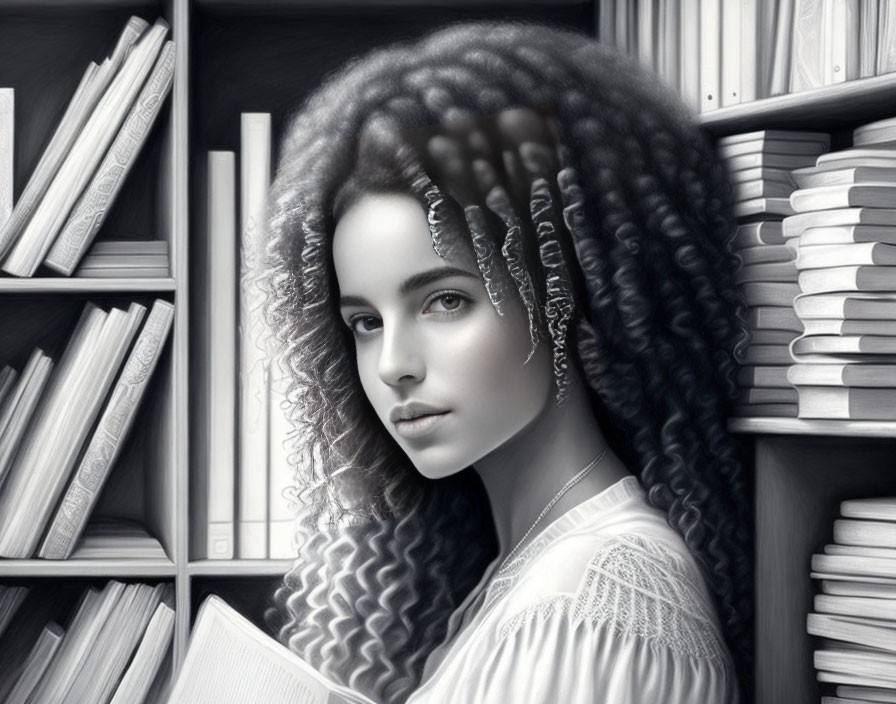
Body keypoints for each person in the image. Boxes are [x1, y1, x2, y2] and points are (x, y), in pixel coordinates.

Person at [260, 20, 751, 704]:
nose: (393, 364)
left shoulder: (590, 603)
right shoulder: (534, 566)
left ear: (564, 290)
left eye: (445, 301)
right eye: (366, 323)